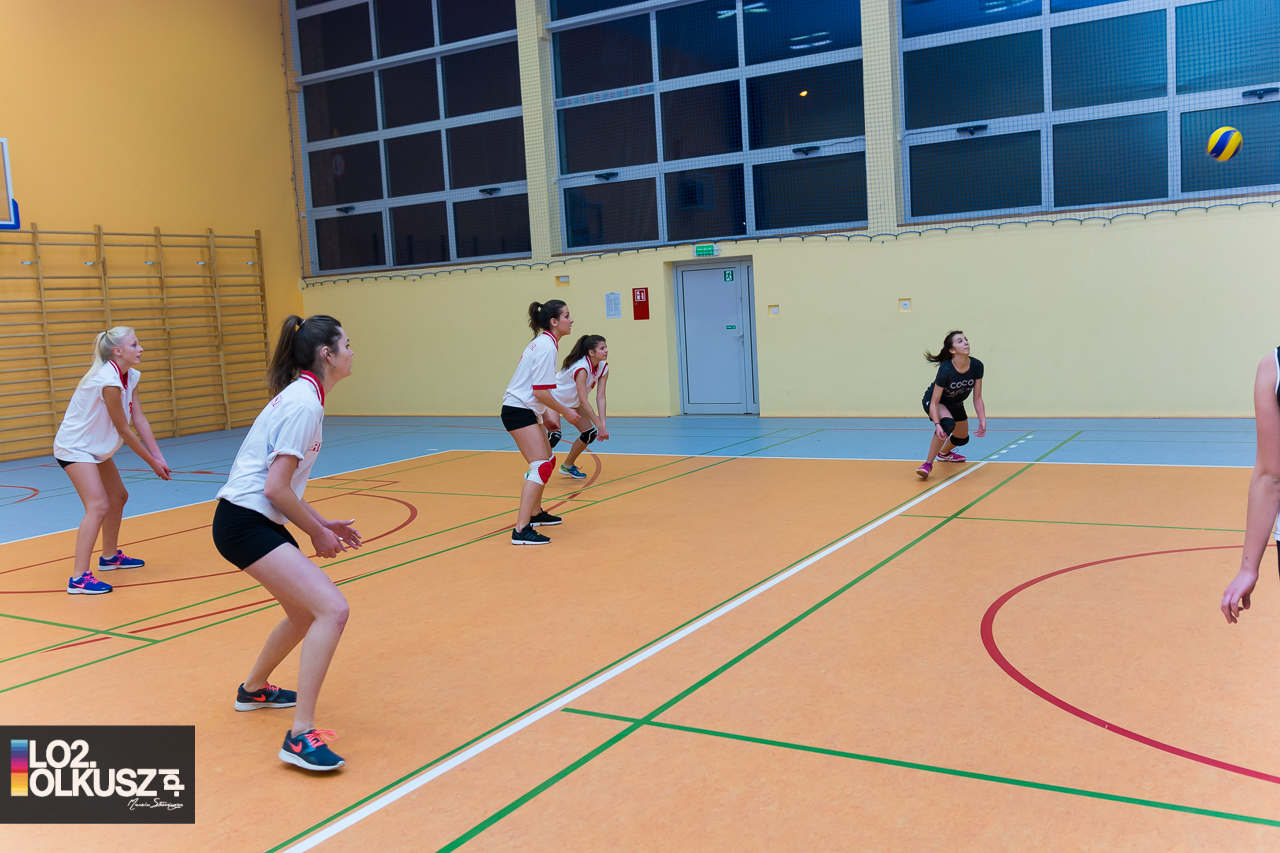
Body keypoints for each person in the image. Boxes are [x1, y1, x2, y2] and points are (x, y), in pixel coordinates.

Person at [212, 314, 359, 772]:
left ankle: (253, 690)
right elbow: (275, 487)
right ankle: (300, 736)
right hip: (244, 522)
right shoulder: (304, 405)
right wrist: (315, 533)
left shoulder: (302, 397)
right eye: (347, 344)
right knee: (332, 610)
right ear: (327, 354)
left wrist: (320, 521)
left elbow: (281, 488)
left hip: (252, 519)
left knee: (303, 614)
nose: (353, 352)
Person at [54, 327, 172, 595]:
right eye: (134, 345)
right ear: (118, 351)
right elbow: (124, 430)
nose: (140, 349)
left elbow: (139, 419)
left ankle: (109, 557)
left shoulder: (131, 375)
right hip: (75, 448)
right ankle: (79, 578)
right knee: (97, 505)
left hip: (95, 448)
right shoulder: (107, 381)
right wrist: (152, 463)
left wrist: (158, 455)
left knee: (118, 496)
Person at [500, 300, 582, 544]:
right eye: (567, 316)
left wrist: (545, 416)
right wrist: (565, 411)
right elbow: (539, 391)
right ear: (554, 322)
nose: (571, 320)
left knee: (548, 459)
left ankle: (535, 513)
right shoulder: (547, 347)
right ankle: (521, 529)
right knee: (540, 466)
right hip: (518, 410)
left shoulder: (545, 343)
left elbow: (535, 387)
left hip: (526, 410)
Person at [1221, 347, 1280, 624]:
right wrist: (1248, 568)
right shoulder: (1274, 368)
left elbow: (1271, 476)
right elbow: (1271, 475)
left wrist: (1249, 569)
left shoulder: (1273, 367)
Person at [917, 330, 986, 480]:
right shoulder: (946, 369)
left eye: (966, 339)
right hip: (936, 402)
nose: (966, 342)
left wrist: (982, 419)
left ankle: (944, 454)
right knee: (947, 424)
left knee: (962, 438)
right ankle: (927, 464)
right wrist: (937, 424)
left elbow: (977, 398)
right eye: (960, 341)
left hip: (955, 403)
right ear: (952, 350)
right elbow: (935, 402)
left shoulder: (977, 366)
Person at [543, 334, 610, 480]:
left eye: (606, 347)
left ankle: (567, 466)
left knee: (589, 434)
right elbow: (584, 401)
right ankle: (535, 469)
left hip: (572, 401)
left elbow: (601, 397)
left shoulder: (603, 367)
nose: (606, 350)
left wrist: (603, 424)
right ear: (591, 352)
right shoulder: (582, 368)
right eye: (602, 348)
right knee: (554, 435)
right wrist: (599, 426)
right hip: (553, 397)